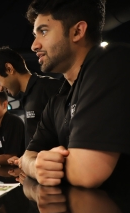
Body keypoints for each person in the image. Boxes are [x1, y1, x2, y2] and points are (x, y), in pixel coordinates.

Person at [21, 0, 130, 188]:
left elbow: (86, 172)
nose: (34, 45)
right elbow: (26, 156)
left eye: (44, 31)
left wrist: (44, 165)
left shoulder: (110, 63)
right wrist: (36, 165)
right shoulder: (58, 99)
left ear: (77, 31)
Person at [0, 46, 63, 166]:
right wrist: (23, 160)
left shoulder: (50, 88)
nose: (0, 89)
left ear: (9, 69)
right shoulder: (27, 98)